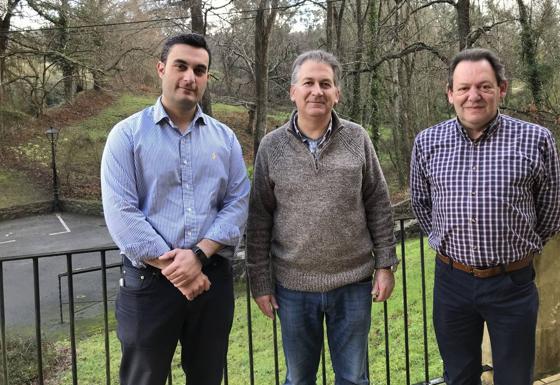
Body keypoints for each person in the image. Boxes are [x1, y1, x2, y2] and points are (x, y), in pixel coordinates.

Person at [410, 48, 560, 385]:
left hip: (512, 283)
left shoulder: (536, 140)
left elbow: (553, 212)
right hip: (451, 283)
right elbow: (422, 205)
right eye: (463, 88)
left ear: (502, 89)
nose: (473, 96)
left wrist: (517, 249)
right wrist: (448, 243)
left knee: (514, 378)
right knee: (459, 376)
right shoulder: (427, 142)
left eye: (484, 86)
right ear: (450, 93)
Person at [101, 33, 250, 385]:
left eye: (200, 70)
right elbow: (121, 213)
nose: (190, 77)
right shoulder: (127, 136)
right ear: (161, 69)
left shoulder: (225, 139)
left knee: (208, 377)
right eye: (181, 66)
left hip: (211, 283)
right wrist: (179, 268)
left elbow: (237, 201)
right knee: (143, 379)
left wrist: (198, 255)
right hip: (149, 286)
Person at [246, 50, 399, 385]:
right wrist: (259, 282)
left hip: (354, 284)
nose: (317, 90)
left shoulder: (357, 138)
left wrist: (385, 265)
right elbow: (259, 221)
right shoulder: (271, 147)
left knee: (353, 379)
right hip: (293, 288)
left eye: (325, 84)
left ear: (337, 93)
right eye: (309, 83)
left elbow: (378, 203)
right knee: (299, 379)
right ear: (293, 91)